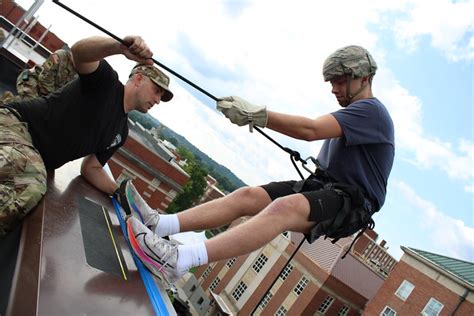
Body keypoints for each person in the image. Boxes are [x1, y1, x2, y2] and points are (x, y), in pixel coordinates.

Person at [123, 45, 395, 287]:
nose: (334, 89)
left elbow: (310, 130)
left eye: (341, 81)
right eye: (332, 82)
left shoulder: (371, 111)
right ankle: (160, 224)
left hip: (352, 203)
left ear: (364, 78)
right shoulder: (356, 113)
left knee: (283, 209)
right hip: (327, 185)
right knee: (248, 196)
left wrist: (257, 115)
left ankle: (177, 260)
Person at [0, 35, 174, 236]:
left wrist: (121, 194)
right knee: (30, 185)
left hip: (32, 153)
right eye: (156, 90)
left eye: (161, 96)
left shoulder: (120, 132)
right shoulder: (106, 83)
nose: (158, 100)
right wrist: (119, 47)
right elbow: (80, 53)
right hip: (17, 126)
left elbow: (91, 167)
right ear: (138, 79)